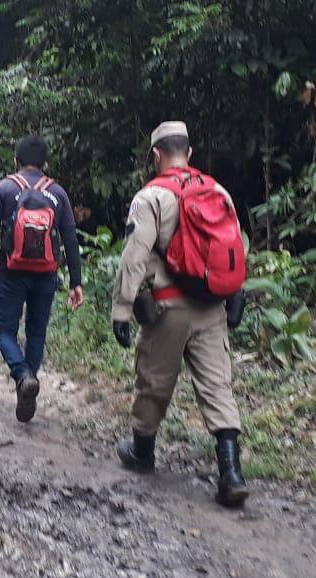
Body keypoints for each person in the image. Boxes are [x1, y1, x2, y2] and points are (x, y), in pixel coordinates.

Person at [111, 121, 249, 507]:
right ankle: (231, 471)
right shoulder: (216, 189)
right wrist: (237, 292)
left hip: (168, 307)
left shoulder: (151, 196)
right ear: (189, 153)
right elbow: (234, 244)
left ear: (156, 156)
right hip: (212, 306)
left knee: (153, 381)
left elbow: (135, 255)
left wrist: (122, 308)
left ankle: (142, 451)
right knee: (217, 385)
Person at [0, 136, 84, 422]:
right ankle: (29, 379)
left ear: (16, 161)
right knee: (37, 331)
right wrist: (76, 281)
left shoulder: (5, 188)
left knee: (1, 329)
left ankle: (22, 376)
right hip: (46, 273)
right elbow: (70, 239)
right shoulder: (57, 192)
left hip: (11, 272)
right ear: (44, 164)